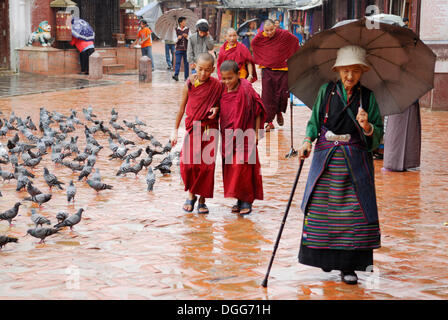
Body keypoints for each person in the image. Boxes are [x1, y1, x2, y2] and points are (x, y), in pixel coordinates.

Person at [297, 45, 384, 285]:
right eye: (345, 70)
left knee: (354, 216)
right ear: (337, 70)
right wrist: (306, 142)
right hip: (326, 162)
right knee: (323, 213)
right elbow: (314, 122)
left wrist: (367, 126)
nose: (349, 76)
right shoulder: (327, 91)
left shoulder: (368, 97)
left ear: (362, 72)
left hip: (355, 165)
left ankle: (349, 268)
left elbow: (378, 135)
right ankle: (325, 258)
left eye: (355, 71)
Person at [171, 53, 222, 214]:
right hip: (193, 128)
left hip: (210, 129)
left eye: (207, 70)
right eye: (200, 69)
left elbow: (224, 103)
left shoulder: (217, 85)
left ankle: (202, 199)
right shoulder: (190, 84)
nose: (203, 73)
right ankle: (191, 194)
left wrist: (217, 108)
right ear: (194, 67)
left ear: (213, 70)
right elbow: (181, 108)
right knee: (188, 164)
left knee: (206, 167)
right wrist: (175, 130)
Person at [219, 60, 265, 214]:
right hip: (228, 135)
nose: (227, 82)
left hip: (246, 134)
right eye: (224, 79)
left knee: (244, 168)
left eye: (230, 78)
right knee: (233, 169)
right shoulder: (222, 90)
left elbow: (259, 109)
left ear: (238, 75)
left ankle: (247, 201)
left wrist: (258, 133)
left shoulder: (247, 88)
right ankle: (239, 199)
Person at [251, 19, 299, 131]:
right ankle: (269, 122)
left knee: (282, 94)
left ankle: (278, 112)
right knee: (268, 96)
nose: (269, 33)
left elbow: (295, 40)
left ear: (275, 27)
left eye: (271, 30)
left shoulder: (283, 35)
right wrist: (263, 58)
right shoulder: (261, 37)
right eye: (266, 31)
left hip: (283, 69)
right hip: (268, 70)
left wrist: (289, 57)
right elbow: (254, 43)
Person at [173, 16, 189, 81]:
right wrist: (177, 38)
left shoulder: (188, 29)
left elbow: (190, 39)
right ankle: (176, 75)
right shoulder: (176, 30)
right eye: (184, 21)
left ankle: (186, 77)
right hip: (178, 49)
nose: (185, 22)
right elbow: (174, 40)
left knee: (186, 63)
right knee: (177, 62)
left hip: (186, 49)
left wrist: (187, 37)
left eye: (185, 21)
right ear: (180, 23)